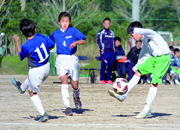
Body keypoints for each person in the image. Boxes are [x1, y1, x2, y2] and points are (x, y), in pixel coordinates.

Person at [108, 21, 171, 118]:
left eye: (132, 35)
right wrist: (137, 66)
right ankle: (123, 94)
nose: (132, 38)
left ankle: (146, 109)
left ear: (137, 31)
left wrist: (133, 29)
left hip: (163, 58)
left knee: (153, 82)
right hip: (154, 59)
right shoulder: (144, 41)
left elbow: (145, 30)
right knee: (138, 72)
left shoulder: (150, 33)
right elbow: (143, 55)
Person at [12, 18, 55, 122]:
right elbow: (52, 45)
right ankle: (21, 87)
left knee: (32, 93)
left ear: (22, 33)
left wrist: (17, 42)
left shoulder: (26, 45)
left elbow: (21, 56)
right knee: (31, 79)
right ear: (35, 29)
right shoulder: (41, 36)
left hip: (36, 71)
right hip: (47, 67)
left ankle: (43, 114)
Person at [49, 12, 86, 116]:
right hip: (61, 59)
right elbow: (50, 45)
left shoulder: (73, 31)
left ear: (69, 22)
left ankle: (76, 97)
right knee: (64, 81)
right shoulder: (55, 34)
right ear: (59, 22)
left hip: (72, 59)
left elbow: (83, 40)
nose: (65, 23)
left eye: (67, 21)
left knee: (75, 85)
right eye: (63, 21)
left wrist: (76, 42)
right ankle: (68, 107)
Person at [97, 17, 115, 84]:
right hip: (104, 52)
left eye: (108, 23)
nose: (107, 25)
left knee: (110, 65)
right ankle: (102, 79)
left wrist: (114, 49)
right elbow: (99, 41)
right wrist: (101, 48)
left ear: (110, 24)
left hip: (111, 52)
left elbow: (113, 41)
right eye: (105, 23)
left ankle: (108, 79)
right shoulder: (101, 32)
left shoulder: (112, 32)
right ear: (103, 24)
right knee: (103, 65)